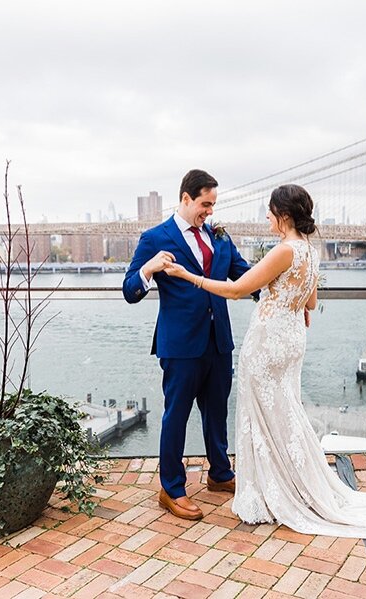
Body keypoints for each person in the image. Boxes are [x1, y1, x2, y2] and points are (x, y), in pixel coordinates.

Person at [164, 184, 366, 541]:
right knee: (285, 413)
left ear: (284, 215)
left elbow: (238, 289)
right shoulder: (310, 251)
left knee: (263, 416)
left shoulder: (284, 250)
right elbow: (309, 301)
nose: (268, 218)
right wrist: (290, 304)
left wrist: (188, 276)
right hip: (291, 341)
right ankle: (294, 483)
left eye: (271, 212)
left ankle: (272, 491)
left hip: (267, 343)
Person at [122, 169, 252, 521]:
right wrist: (148, 269)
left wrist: (287, 294)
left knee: (217, 411)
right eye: (204, 204)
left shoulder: (219, 238)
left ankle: (220, 474)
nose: (209, 212)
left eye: (212, 205)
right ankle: (172, 488)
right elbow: (129, 290)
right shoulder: (155, 238)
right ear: (185, 198)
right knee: (175, 416)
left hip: (218, 341)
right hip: (180, 345)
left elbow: (247, 277)